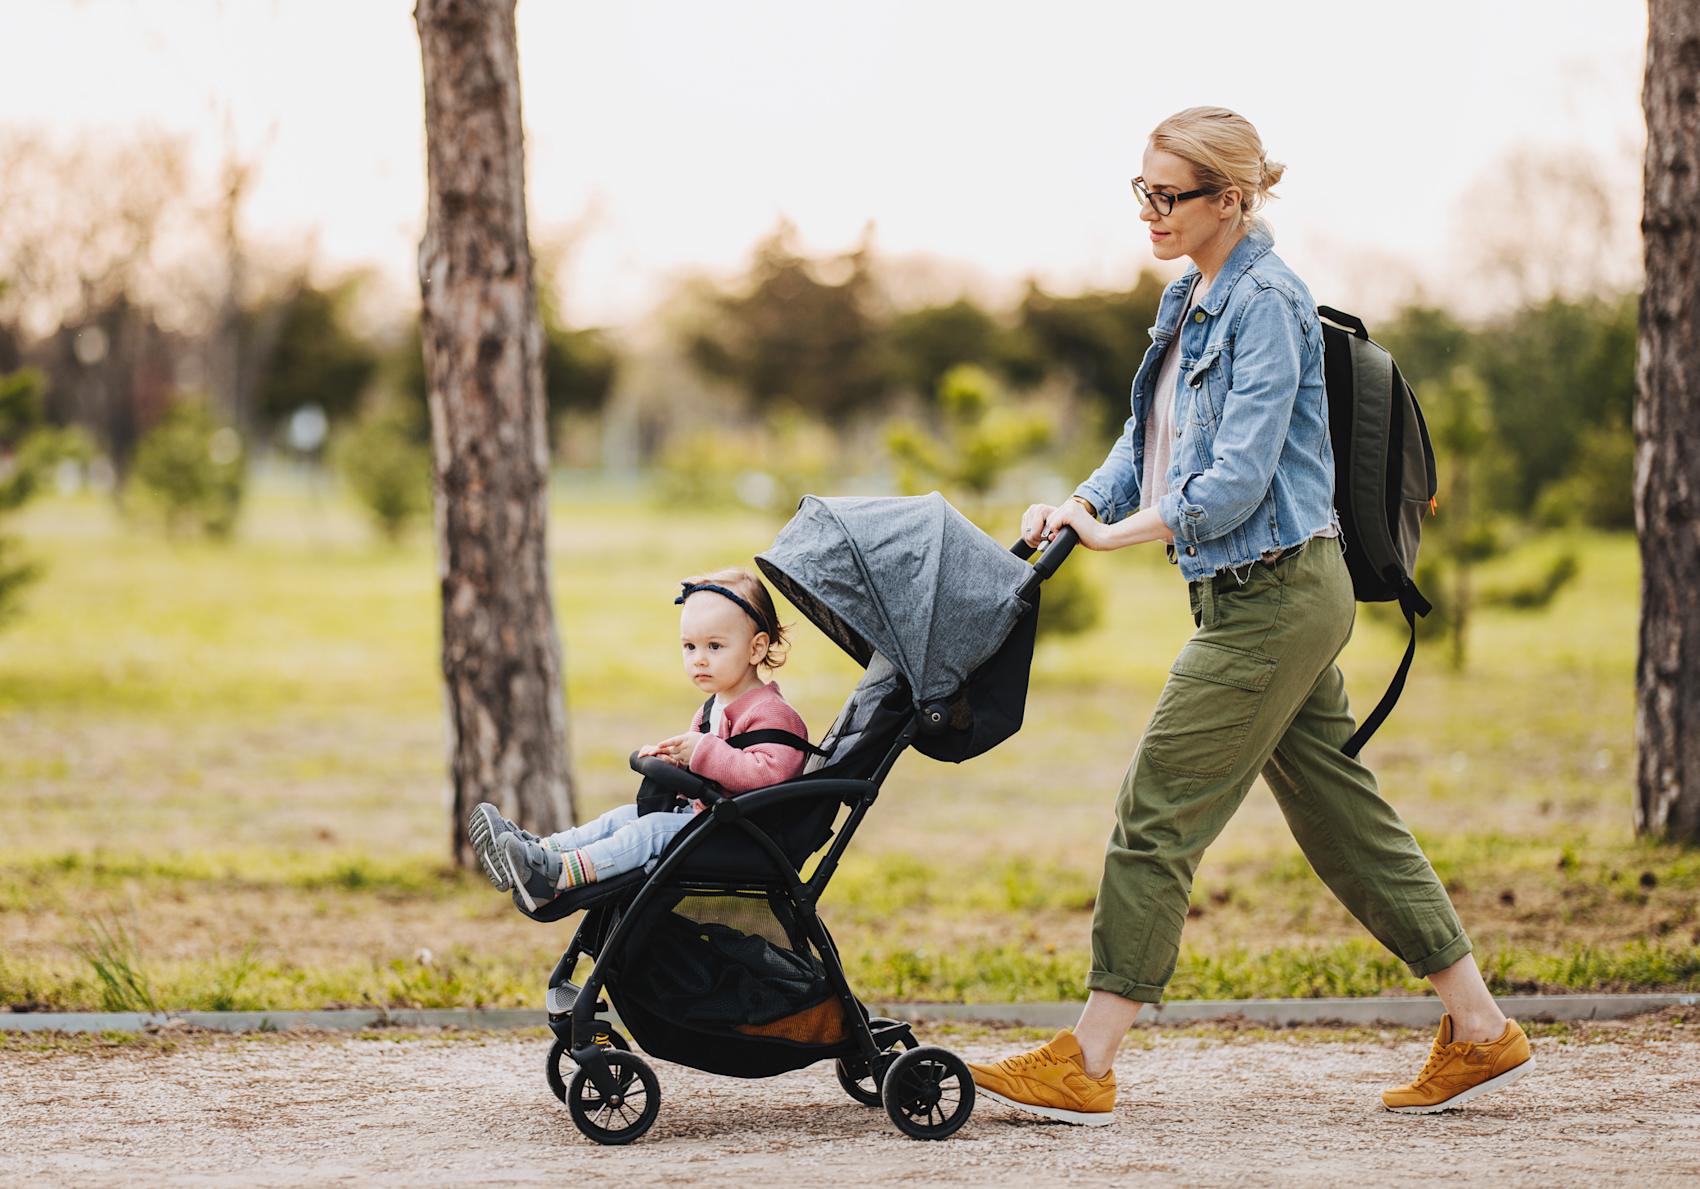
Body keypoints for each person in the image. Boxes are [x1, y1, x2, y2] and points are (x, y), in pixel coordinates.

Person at [968, 107, 1533, 1126]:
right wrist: (1082, 503)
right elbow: (1148, 439)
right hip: (1256, 595)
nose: (1146, 211)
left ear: (1230, 198)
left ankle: (1085, 1062)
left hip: (1274, 596)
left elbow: (1232, 481)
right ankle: (1481, 1028)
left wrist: (1117, 536)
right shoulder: (1188, 295)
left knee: (1155, 813)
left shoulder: (1267, 301)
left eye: (1166, 194)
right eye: (1139, 190)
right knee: (1340, 817)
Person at [469, 568, 810, 913]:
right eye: (689, 646)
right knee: (619, 819)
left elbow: (769, 777)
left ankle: (556, 877)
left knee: (648, 832)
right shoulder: (712, 708)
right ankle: (541, 852)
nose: (699, 659)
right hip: (711, 822)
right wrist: (674, 763)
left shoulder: (774, 715)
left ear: (757, 648)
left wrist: (703, 752)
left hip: (745, 840)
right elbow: (709, 773)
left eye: (715, 646)